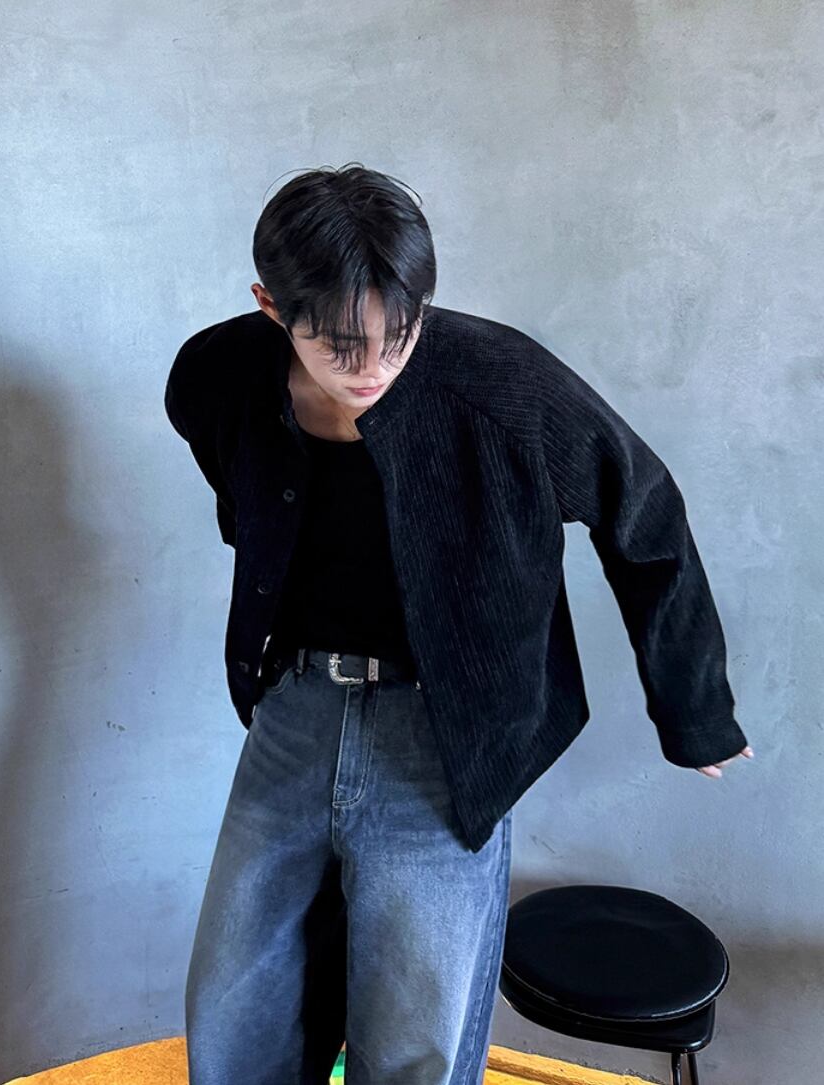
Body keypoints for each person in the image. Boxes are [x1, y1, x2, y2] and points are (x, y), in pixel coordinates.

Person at [164, 163, 752, 1085]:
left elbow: (645, 512)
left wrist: (695, 707)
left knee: (416, 1032)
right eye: (341, 347)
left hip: (447, 732)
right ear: (272, 308)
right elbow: (236, 487)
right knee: (235, 1003)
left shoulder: (501, 384)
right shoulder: (217, 375)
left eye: (399, 337)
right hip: (295, 709)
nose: (374, 369)